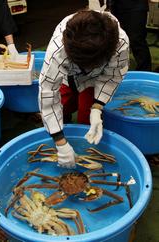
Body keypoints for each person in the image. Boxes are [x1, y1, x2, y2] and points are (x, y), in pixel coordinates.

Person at [38, 0, 129, 169]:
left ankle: (83, 147)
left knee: (86, 117)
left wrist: (97, 107)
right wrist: (60, 141)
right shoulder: (58, 50)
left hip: (95, 79)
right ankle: (62, 144)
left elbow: (113, 75)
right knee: (63, 105)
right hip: (67, 75)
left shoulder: (120, 42)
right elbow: (48, 92)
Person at [107, 0, 152, 71]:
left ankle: (144, 71)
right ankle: (116, 69)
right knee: (116, 38)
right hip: (116, 6)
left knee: (136, 40)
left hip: (136, 7)